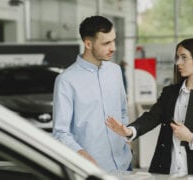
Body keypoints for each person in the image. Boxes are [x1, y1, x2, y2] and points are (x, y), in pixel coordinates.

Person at [106, 37, 193, 178]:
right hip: (166, 171)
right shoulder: (170, 92)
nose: (178, 63)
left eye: (184, 57)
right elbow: (151, 117)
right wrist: (129, 130)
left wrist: (191, 138)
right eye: (177, 57)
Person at [52, 15, 132, 172]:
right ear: (88, 43)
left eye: (114, 40)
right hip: (90, 169)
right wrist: (81, 154)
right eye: (106, 43)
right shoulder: (66, 80)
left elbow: (123, 111)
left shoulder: (115, 71)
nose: (113, 48)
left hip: (124, 164)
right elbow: (60, 132)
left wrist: (127, 144)